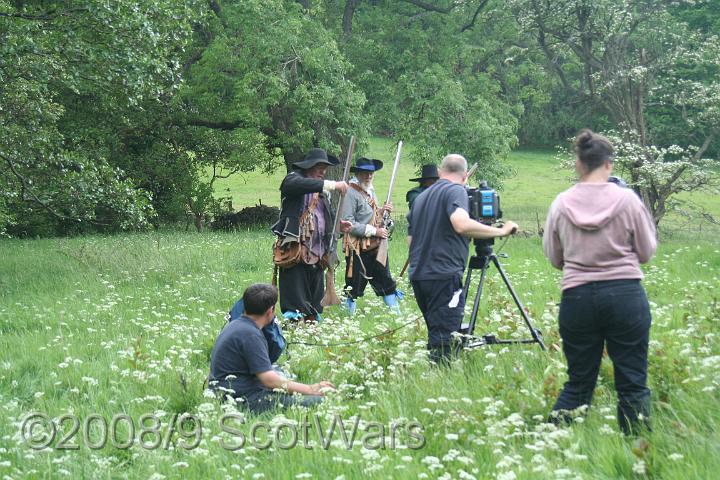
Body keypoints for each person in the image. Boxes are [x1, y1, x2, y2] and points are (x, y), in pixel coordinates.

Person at [543, 129, 657, 434]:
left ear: (579, 163)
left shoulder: (561, 203)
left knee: (579, 381)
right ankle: (638, 449)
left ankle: (553, 442)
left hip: (577, 299)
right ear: (609, 164)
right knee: (633, 381)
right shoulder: (628, 200)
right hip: (625, 296)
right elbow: (646, 252)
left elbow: (554, 258)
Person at [407, 154, 518, 364]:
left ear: (440, 172)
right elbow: (461, 224)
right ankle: (441, 381)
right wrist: (500, 232)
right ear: (465, 176)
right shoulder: (456, 190)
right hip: (443, 274)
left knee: (437, 331)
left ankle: (440, 373)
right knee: (444, 341)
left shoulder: (421, 197)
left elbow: (411, 241)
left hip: (420, 275)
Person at [208, 283, 335, 414]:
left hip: (225, 391)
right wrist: (311, 389)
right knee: (321, 401)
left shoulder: (236, 324)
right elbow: (269, 380)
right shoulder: (250, 335)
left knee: (279, 371)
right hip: (241, 399)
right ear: (270, 311)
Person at [271, 148, 350, 321]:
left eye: (324, 167)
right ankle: (295, 332)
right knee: (296, 302)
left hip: (318, 254)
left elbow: (325, 218)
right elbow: (293, 185)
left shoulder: (322, 193)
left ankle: (312, 334)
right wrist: (332, 184)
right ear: (308, 167)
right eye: (319, 166)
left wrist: (339, 226)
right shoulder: (293, 180)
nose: (323, 171)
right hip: (295, 251)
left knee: (315, 303)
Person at [341, 157, 403, 314]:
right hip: (357, 248)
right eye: (365, 173)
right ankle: (347, 317)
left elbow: (370, 215)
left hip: (375, 246)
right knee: (353, 285)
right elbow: (347, 223)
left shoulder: (370, 190)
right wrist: (375, 231)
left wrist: (382, 211)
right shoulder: (350, 192)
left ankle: (396, 314)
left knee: (386, 281)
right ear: (359, 173)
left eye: (371, 173)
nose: (369, 176)